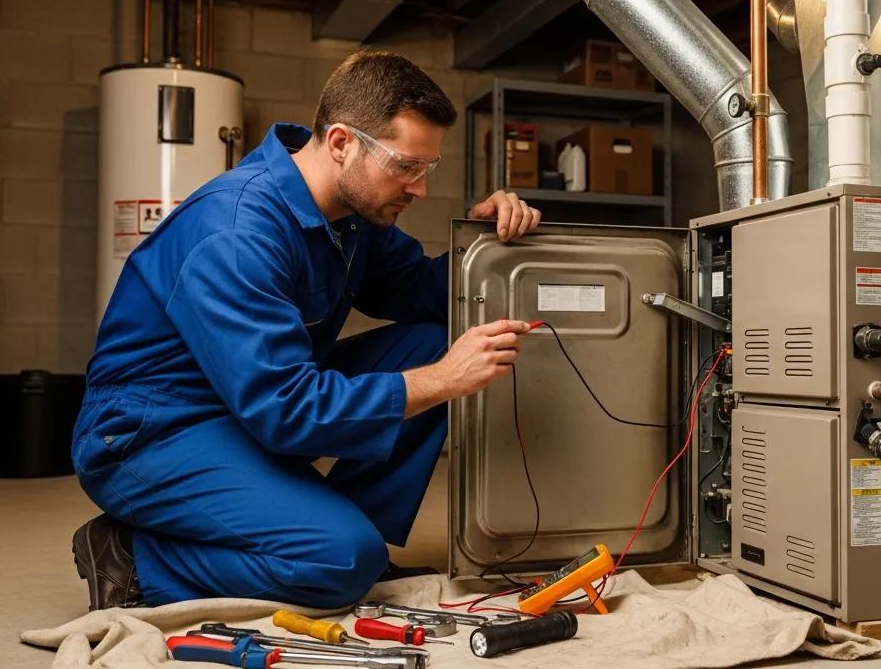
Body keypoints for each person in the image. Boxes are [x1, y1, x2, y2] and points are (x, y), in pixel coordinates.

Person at [70, 50, 541, 610]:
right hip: (152, 430)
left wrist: (484, 245)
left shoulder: (352, 217)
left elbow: (423, 291)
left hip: (248, 404)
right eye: (405, 166)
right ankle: (134, 557)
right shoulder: (237, 231)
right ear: (341, 143)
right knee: (341, 560)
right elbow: (284, 410)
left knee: (437, 342)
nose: (418, 188)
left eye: (427, 168)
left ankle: (338, 534)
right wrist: (442, 380)